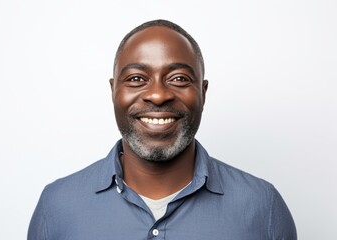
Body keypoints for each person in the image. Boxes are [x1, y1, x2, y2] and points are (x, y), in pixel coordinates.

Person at [28, 19, 297, 240]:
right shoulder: (57, 205)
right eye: (136, 79)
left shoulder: (263, 206)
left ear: (202, 92)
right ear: (114, 91)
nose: (157, 95)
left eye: (178, 78)